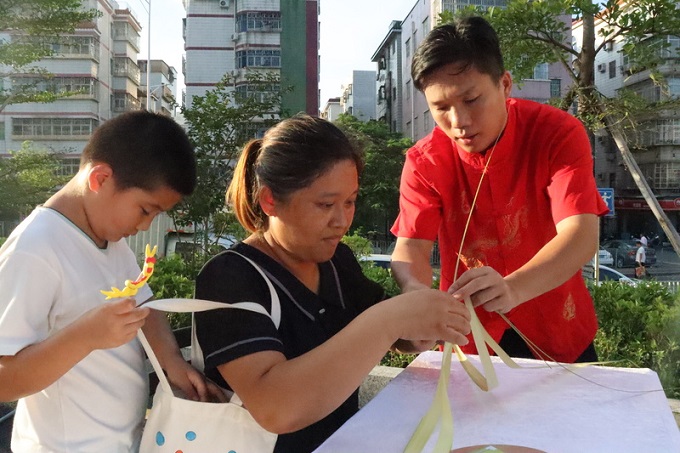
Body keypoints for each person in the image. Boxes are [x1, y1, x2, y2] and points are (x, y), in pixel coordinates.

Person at [194, 113, 471, 453]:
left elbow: (393, 335)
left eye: (350, 201)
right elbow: (274, 408)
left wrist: (426, 317)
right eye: (325, 204)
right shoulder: (230, 277)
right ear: (270, 201)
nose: (341, 221)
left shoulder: (338, 262)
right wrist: (390, 319)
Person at [390, 16, 609, 364]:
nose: (458, 121)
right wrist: (416, 294)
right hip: (470, 338)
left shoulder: (557, 133)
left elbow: (581, 233)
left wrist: (513, 288)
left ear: (505, 85)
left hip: (558, 330)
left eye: (472, 99)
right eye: (441, 108)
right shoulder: (424, 161)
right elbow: (412, 246)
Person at [0, 111, 215, 452]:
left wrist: (171, 361)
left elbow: (144, 304)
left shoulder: (110, 241)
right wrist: (85, 337)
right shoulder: (35, 249)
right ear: (100, 179)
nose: (145, 226)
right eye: (145, 210)